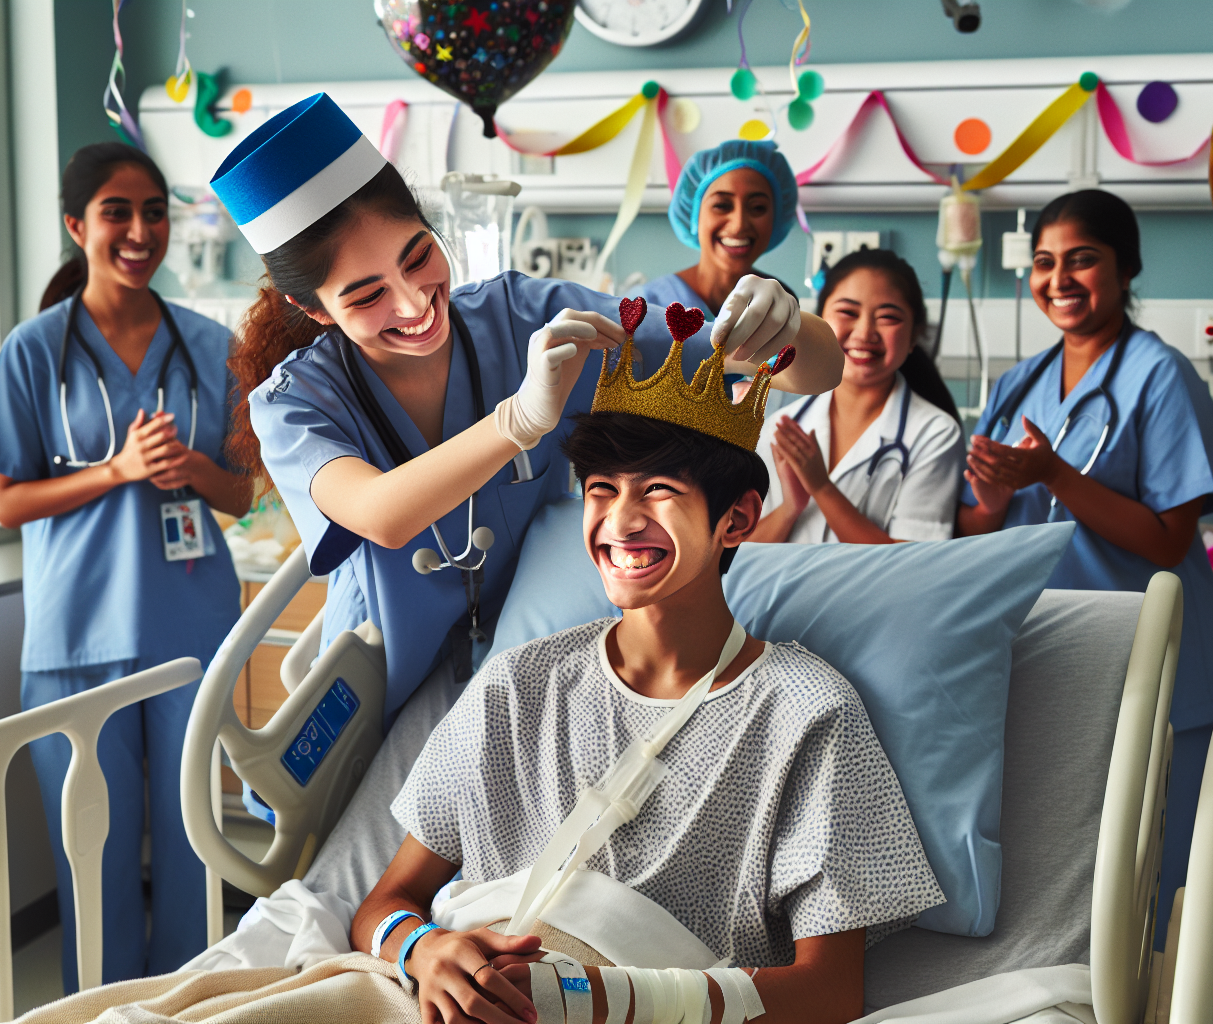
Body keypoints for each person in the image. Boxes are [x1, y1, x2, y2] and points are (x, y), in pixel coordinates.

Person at [212, 95, 841, 871]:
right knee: (365, 886)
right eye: (367, 294)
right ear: (313, 309)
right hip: (390, 687)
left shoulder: (524, 317)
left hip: (537, 664)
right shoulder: (295, 402)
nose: (413, 304)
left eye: (417, 257)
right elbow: (378, 513)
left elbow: (803, 367)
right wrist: (517, 421)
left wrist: (792, 326)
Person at [354, 325, 942, 1024]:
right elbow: (383, 906)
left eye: (658, 490)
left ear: (737, 520)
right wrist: (421, 949)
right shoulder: (520, 686)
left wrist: (603, 1002)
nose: (621, 522)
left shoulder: (805, 712)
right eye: (601, 490)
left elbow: (830, 991)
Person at [0, 143, 253, 987]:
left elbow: (241, 494)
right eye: (117, 212)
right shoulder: (34, 352)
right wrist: (115, 472)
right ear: (75, 226)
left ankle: (191, 1001)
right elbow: (6, 501)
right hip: (76, 639)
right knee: (95, 853)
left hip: (192, 631)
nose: (138, 230)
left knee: (197, 842)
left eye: (153, 211)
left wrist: (191, 470)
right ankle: (103, 1007)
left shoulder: (208, 347)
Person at [954, 189, 1213, 945]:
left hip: (1152, 661)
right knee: (1070, 886)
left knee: (1152, 886)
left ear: (1125, 267)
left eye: (1083, 260)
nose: (1060, 278)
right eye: (1045, 263)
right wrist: (992, 487)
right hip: (1056, 656)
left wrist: (1053, 476)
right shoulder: (1020, 383)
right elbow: (980, 522)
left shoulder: (1159, 375)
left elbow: (1168, 539)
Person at [753, 248, 963, 544]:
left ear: (915, 335)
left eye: (888, 317)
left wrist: (822, 488)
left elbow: (917, 565)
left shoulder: (935, 434)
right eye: (848, 312)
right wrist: (791, 508)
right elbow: (739, 558)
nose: (865, 332)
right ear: (818, 322)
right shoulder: (779, 426)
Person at [638, 139, 801, 363]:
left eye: (758, 208)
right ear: (694, 214)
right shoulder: (649, 303)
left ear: (776, 218)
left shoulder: (782, 301)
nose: (739, 224)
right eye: (722, 205)